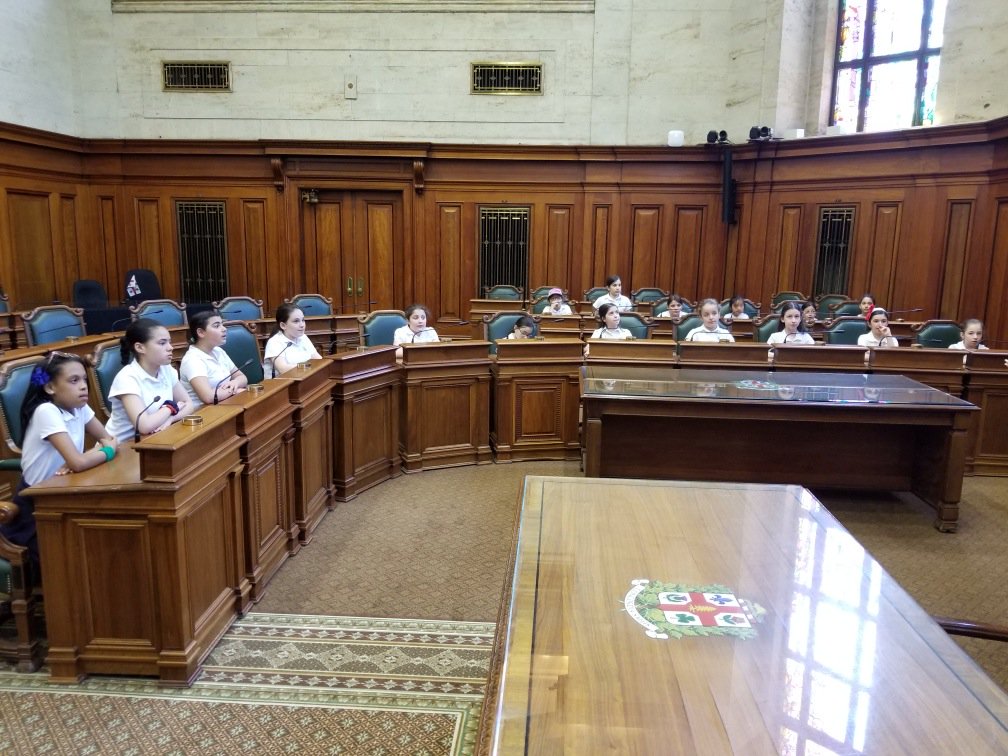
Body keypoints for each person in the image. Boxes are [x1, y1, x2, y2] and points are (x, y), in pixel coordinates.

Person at [0, 352, 118, 572]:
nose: (83, 386)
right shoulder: (46, 411)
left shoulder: (80, 407)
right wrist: (104, 453)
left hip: (68, 495)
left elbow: (109, 438)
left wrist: (91, 455)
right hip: (37, 512)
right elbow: (83, 460)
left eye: (84, 379)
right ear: (50, 388)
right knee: (81, 561)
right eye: (74, 380)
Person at [105, 318, 193, 443]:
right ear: (140, 347)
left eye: (169, 342)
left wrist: (171, 419)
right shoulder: (127, 378)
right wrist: (170, 408)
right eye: (162, 343)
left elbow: (189, 405)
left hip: (155, 438)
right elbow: (144, 426)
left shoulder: (166, 369)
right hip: (123, 447)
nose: (170, 348)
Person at [179, 309, 248, 409]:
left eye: (222, 324)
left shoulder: (218, 351)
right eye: (217, 326)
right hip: (204, 415)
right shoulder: (193, 360)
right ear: (201, 332)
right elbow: (208, 397)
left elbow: (242, 377)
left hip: (226, 404)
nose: (224, 329)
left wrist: (235, 383)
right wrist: (234, 390)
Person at [263, 303, 323, 377]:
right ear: (283, 325)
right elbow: (283, 369)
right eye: (296, 321)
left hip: (304, 379)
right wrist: (309, 366)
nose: (302, 325)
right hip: (282, 385)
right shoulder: (274, 342)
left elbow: (319, 360)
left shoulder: (303, 337)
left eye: (303, 320)